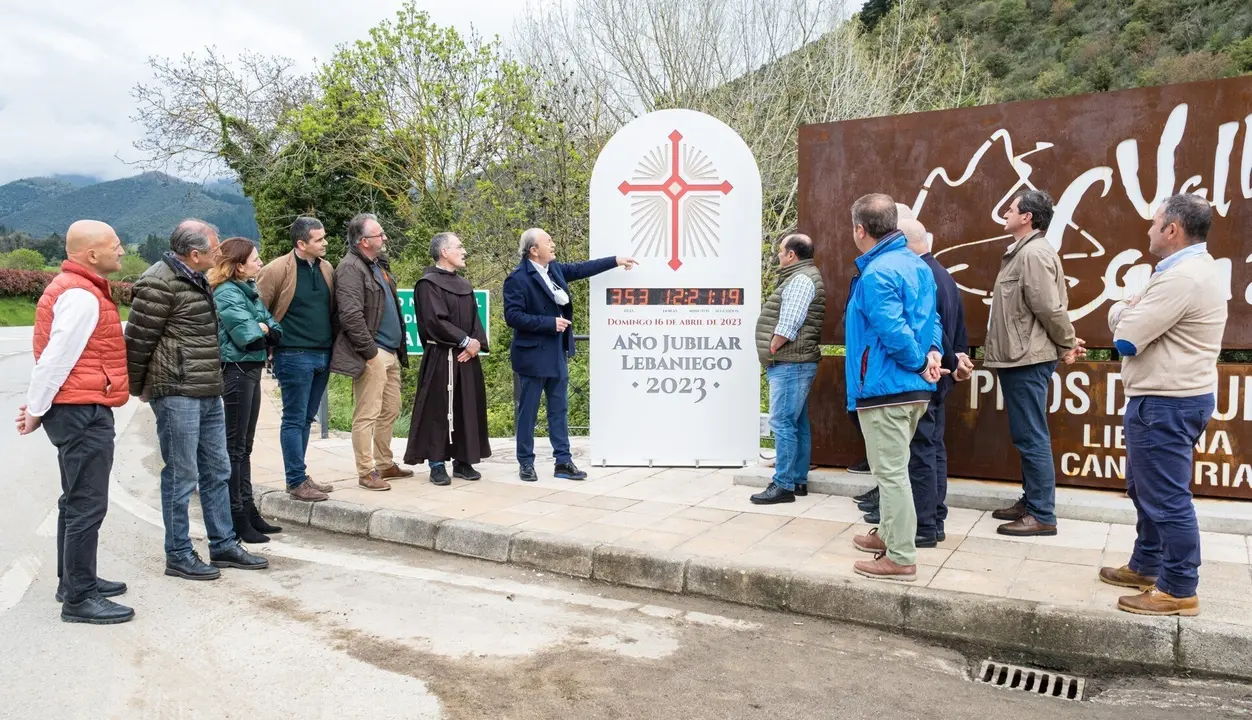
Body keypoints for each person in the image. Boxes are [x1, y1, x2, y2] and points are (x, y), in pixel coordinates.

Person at [1099, 194, 1226, 617]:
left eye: (1155, 223)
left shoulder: (1183, 277)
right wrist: (1133, 311)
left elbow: (1127, 338)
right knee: (1144, 488)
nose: (1150, 230)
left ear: (1172, 229)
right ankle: (1147, 564)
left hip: (1166, 402)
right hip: (1167, 398)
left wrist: (1120, 308)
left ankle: (1178, 588)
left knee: (1167, 498)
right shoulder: (1184, 272)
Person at [125, 219, 269, 580]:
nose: (219, 253)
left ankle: (223, 544)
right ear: (194, 253)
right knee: (181, 474)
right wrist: (139, 387)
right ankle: (178, 552)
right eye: (214, 248)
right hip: (176, 391)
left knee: (217, 469)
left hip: (207, 387)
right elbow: (138, 341)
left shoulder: (197, 277)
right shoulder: (158, 282)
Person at [15, 220, 133, 624]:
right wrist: (35, 409)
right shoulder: (81, 295)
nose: (122, 251)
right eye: (115, 246)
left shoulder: (76, 288)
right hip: (82, 410)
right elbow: (56, 357)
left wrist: (40, 407)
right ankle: (80, 599)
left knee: (74, 498)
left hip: (76, 406)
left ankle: (73, 581)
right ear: (91, 254)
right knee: (87, 503)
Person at [842, 194, 945, 582]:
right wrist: (932, 353)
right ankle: (888, 533)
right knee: (895, 468)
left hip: (887, 386)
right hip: (911, 386)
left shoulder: (877, 273)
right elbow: (930, 319)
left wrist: (919, 360)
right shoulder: (917, 266)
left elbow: (893, 330)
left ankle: (900, 557)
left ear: (860, 229)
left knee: (891, 474)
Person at [984, 190, 1085, 537]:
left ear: (1027, 217)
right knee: (1025, 434)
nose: (1006, 214)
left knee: (1031, 436)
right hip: (1019, 358)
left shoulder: (1034, 254)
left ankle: (1042, 514)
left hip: (1027, 358)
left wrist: (1068, 342)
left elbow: (1050, 308)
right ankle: (1031, 501)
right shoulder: (1022, 253)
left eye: (1010, 209)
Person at [503, 228, 637, 482]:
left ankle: (563, 462)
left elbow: (581, 269)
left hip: (556, 352)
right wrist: (548, 323)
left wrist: (615, 260)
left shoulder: (554, 270)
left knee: (559, 410)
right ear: (534, 250)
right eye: (548, 241)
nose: (553, 244)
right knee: (528, 413)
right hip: (532, 356)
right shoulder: (517, 279)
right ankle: (525, 463)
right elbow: (513, 317)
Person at [257, 216, 337, 503]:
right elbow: (259, 309)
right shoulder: (277, 270)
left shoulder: (327, 268)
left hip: (322, 354)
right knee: (294, 419)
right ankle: (295, 480)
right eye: (319, 239)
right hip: (292, 354)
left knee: (306, 418)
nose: (325, 242)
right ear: (301, 244)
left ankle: (300, 476)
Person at [209, 237, 283, 543]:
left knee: (245, 446)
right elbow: (249, 336)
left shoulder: (248, 292)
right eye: (255, 259)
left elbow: (275, 329)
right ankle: (236, 515)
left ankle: (248, 508)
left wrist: (264, 329)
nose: (260, 263)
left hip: (249, 369)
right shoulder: (227, 293)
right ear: (239, 265)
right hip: (236, 370)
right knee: (235, 447)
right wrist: (263, 329)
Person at [403, 233, 491, 486]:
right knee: (438, 409)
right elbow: (434, 321)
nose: (464, 251)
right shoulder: (427, 284)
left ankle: (463, 461)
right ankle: (437, 463)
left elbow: (476, 321)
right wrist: (464, 341)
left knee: (466, 406)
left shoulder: (464, 285)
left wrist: (475, 345)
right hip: (442, 357)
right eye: (459, 247)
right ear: (444, 252)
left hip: (467, 358)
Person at [332, 213, 411, 491]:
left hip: (390, 350)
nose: (385, 237)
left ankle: (384, 463)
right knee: (367, 413)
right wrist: (370, 352)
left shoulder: (378, 264)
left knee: (390, 409)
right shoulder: (351, 268)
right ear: (364, 241)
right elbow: (350, 315)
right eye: (380, 234)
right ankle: (366, 472)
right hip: (374, 352)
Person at [750, 233, 825, 505]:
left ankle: (782, 485)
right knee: (797, 423)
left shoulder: (800, 279)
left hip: (790, 363)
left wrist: (773, 347)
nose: (779, 255)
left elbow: (789, 323)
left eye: (781, 251)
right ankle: (797, 480)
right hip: (797, 363)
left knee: (782, 423)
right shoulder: (803, 276)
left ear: (791, 255)